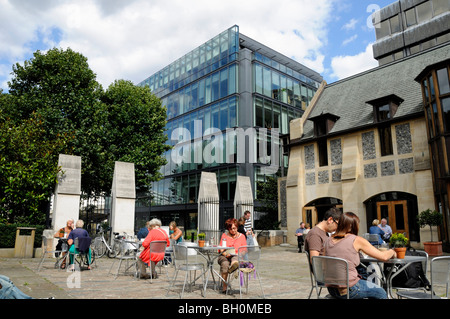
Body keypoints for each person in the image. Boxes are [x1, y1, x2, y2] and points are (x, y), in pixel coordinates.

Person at [324, 212, 397, 299]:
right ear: (352, 225)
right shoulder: (356, 240)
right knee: (381, 292)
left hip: (331, 288)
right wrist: (392, 251)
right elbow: (383, 256)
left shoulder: (328, 240)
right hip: (349, 289)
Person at [218, 218, 247, 293]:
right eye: (231, 229)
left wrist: (239, 254)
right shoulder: (224, 236)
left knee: (236, 256)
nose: (233, 230)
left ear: (237, 227)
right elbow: (221, 250)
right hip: (225, 256)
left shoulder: (242, 236)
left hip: (236, 256)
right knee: (224, 264)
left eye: (234, 228)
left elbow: (244, 250)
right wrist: (226, 254)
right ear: (228, 229)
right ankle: (224, 288)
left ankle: (234, 265)